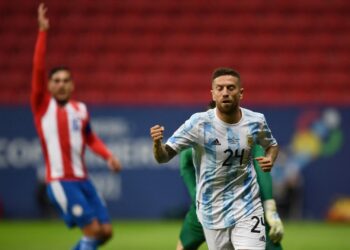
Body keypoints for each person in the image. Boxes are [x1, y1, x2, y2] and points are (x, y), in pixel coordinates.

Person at [150, 67, 279, 250]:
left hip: (248, 206)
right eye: (219, 88)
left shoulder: (256, 121)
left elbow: (272, 144)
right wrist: (157, 145)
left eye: (230, 88)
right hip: (212, 211)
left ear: (241, 93)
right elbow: (164, 157)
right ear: (212, 93)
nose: (225, 92)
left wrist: (271, 158)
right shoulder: (198, 124)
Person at [31, 4, 122, 250]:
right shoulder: (42, 107)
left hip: (84, 179)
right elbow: (38, 69)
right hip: (60, 181)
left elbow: (90, 138)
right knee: (92, 231)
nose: (61, 85)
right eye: (56, 81)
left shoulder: (80, 109)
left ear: (72, 85)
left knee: (106, 232)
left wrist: (108, 156)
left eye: (66, 81)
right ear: (49, 86)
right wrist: (42, 32)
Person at [177, 145, 284, 250]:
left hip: (243, 205)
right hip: (223, 204)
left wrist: (269, 206)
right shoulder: (198, 132)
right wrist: (197, 196)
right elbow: (185, 161)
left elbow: (260, 162)